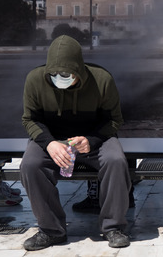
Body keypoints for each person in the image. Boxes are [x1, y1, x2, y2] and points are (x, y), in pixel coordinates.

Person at [20, 35, 131, 250]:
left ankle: (113, 227)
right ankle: (51, 230)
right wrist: (50, 143)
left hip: (93, 139)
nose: (59, 78)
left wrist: (92, 140)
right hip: (52, 140)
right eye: (54, 74)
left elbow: (115, 120)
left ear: (79, 69)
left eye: (66, 74)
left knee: (115, 160)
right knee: (30, 165)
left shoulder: (102, 80)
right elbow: (30, 119)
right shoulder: (34, 79)